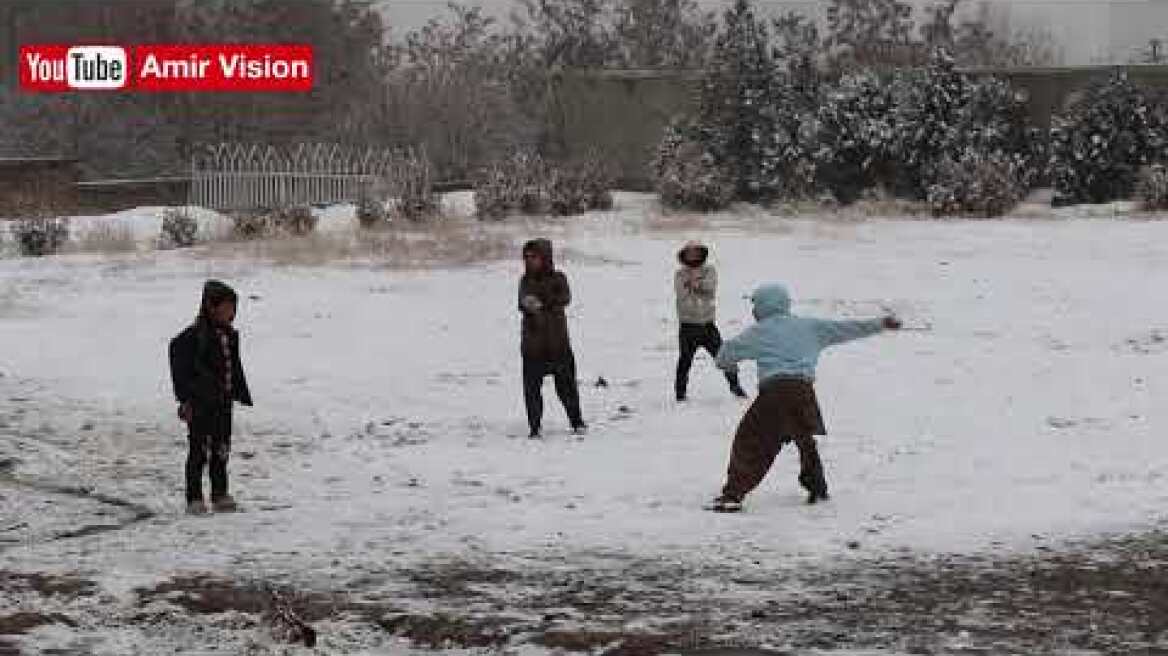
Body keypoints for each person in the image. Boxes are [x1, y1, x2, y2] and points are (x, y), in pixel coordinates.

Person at [708, 283, 901, 512]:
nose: (753, 311)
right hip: (803, 391)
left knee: (751, 440)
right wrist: (880, 324)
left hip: (775, 392)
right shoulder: (809, 326)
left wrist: (728, 364)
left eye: (755, 305)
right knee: (805, 439)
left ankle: (733, 494)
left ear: (762, 307)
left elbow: (725, 355)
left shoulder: (759, 332)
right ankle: (817, 487)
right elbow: (847, 328)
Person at [169, 280, 253, 514]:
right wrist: (185, 399)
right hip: (200, 405)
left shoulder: (230, 336)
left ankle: (219, 493)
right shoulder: (192, 338)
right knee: (199, 451)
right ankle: (194, 497)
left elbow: (233, 366)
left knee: (221, 449)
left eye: (233, 308)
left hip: (223, 404)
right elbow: (177, 358)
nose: (231, 313)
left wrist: (238, 391)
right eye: (226, 307)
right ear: (210, 307)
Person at [519, 239, 586, 438]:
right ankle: (534, 427)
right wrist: (529, 304)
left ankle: (577, 421)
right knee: (532, 391)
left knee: (567, 388)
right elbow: (522, 302)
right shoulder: (525, 280)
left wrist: (543, 301)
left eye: (535, 257)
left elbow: (565, 298)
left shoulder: (559, 278)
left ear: (545, 258)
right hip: (532, 346)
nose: (531, 261)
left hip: (558, 344)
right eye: (527, 257)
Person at [674, 240, 747, 402]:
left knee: (724, 357)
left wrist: (694, 285)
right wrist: (695, 286)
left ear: (702, 253)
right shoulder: (680, 273)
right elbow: (681, 295)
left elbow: (710, 289)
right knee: (684, 362)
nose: (693, 255)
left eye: (696, 252)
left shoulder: (709, 270)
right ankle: (680, 395)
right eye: (689, 252)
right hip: (687, 326)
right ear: (684, 255)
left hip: (707, 325)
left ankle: (736, 387)